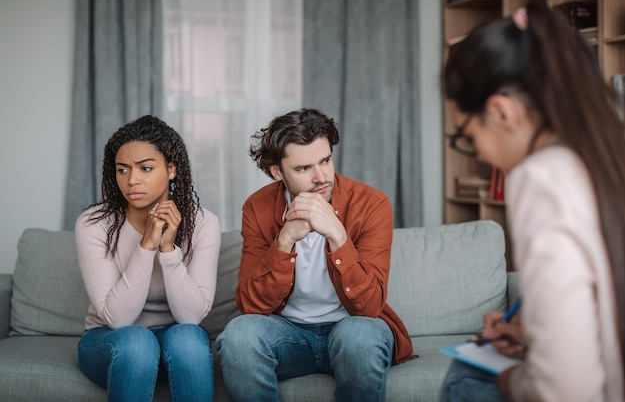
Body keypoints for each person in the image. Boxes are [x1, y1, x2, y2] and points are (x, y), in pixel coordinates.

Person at [440, 0, 625, 402]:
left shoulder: (542, 179)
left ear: (502, 112)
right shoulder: (607, 153)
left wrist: (512, 381)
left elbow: (566, 390)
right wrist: (538, 333)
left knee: (466, 377)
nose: (480, 154)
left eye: (467, 138)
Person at [215, 108, 414, 401]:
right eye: (303, 168)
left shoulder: (372, 204)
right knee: (238, 336)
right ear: (277, 172)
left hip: (350, 329)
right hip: (288, 336)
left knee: (359, 335)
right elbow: (250, 305)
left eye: (325, 161)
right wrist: (283, 241)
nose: (321, 177)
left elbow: (370, 307)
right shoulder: (256, 208)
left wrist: (338, 236)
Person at [75, 115, 221, 401]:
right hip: (110, 341)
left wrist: (168, 251)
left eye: (145, 168)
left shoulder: (203, 224)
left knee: (189, 338)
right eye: (122, 169)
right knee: (137, 340)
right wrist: (146, 246)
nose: (132, 180)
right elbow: (118, 318)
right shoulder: (93, 224)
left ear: (171, 169)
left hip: (176, 346)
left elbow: (191, 317)